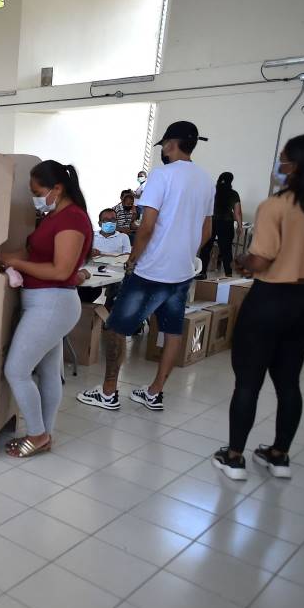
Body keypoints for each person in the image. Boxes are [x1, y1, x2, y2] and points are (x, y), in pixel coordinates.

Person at [213, 134, 304, 481]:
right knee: (289, 382)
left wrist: (243, 259)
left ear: (298, 164)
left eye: (284, 158)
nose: (280, 164)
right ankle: (279, 455)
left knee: (248, 382)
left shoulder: (276, 205)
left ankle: (234, 456)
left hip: (270, 300)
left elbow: (260, 260)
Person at [78, 120, 214, 412]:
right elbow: (206, 230)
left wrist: (133, 259)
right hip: (182, 272)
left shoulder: (162, 175)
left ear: (171, 144)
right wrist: (186, 255)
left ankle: (108, 392)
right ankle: (154, 392)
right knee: (172, 330)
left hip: (151, 270)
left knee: (117, 327)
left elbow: (148, 224)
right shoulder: (205, 179)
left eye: (164, 144)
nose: (163, 150)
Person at [0, 161, 92, 458]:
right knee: (49, 372)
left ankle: (37, 435)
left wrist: (15, 263)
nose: (34, 197)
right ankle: (44, 433)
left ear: (57, 189)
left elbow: (61, 270)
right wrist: (0, 256)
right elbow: (33, 252)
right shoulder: (55, 216)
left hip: (52, 304)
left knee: (16, 370)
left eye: (37, 191)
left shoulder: (72, 219)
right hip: (46, 303)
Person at [198, 171, 244, 279]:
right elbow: (237, 212)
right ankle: (228, 274)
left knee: (206, 247)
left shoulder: (212, 191)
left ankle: (202, 272)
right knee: (226, 249)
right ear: (231, 181)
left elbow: (203, 206)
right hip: (226, 223)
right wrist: (240, 226)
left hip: (211, 222)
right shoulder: (233, 194)